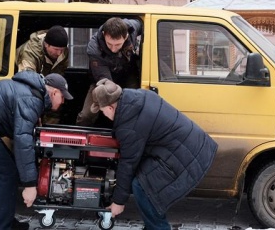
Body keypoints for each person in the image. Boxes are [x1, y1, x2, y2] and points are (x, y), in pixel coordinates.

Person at [90, 78, 218, 229]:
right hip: (193, 147)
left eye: (103, 111)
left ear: (110, 107)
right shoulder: (139, 96)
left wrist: (119, 202)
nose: (103, 115)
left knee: (143, 187)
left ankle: (158, 227)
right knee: (144, 180)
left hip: (186, 157)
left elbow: (128, 163)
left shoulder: (129, 125)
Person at [0, 71, 73, 230]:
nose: (63, 101)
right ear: (54, 92)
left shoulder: (32, 92)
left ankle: (6, 222)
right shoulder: (31, 99)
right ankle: (1, 226)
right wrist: (30, 185)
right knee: (5, 175)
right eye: (62, 97)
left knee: (8, 172)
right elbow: (23, 140)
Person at [76, 17, 142, 126]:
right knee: (87, 115)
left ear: (126, 36)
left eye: (117, 44)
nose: (113, 49)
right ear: (103, 34)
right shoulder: (94, 49)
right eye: (109, 44)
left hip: (129, 75)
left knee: (133, 108)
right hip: (103, 81)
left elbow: (144, 24)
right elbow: (107, 84)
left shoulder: (132, 27)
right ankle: (78, 137)